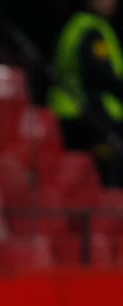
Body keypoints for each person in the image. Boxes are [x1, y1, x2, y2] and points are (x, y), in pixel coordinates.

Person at [50, 0, 123, 186]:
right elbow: (101, 76)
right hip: (85, 115)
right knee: (102, 182)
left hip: (72, 112)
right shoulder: (90, 30)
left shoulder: (78, 24)